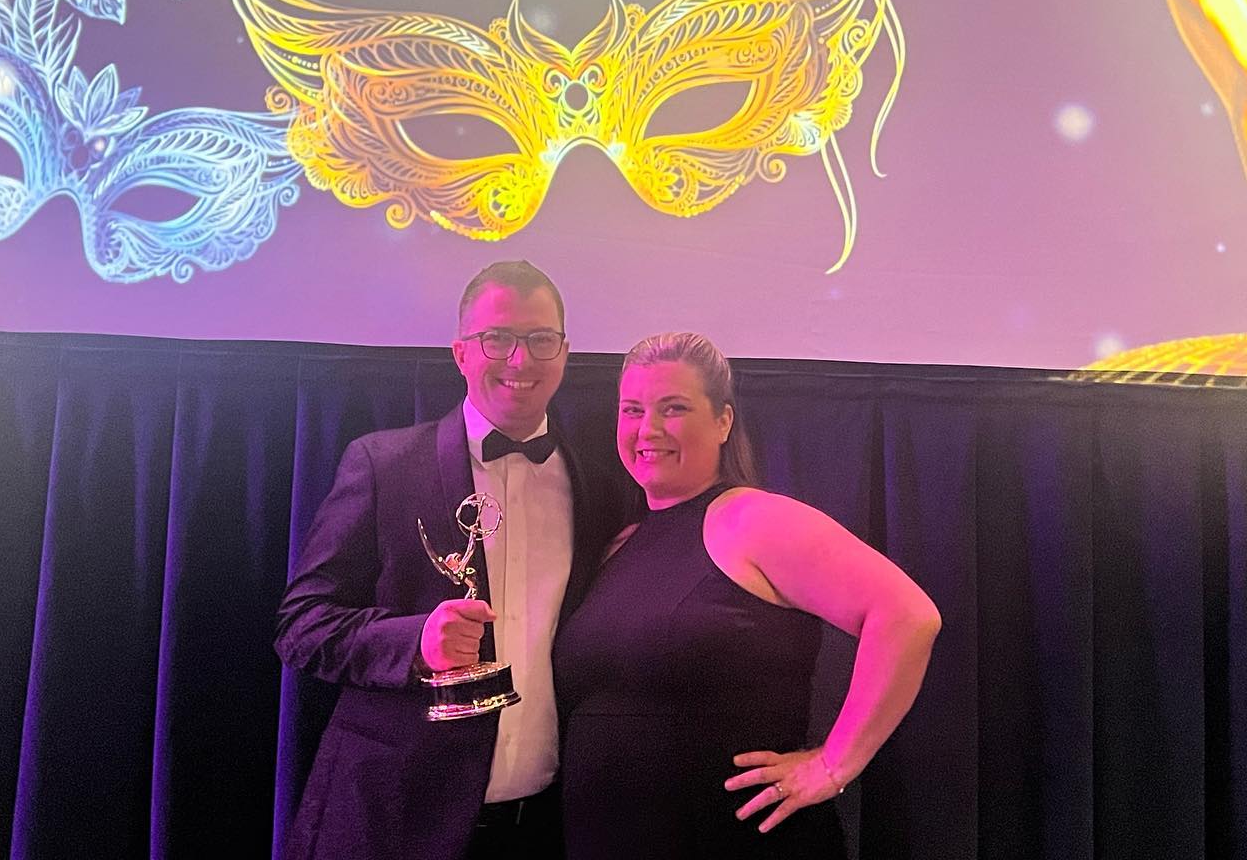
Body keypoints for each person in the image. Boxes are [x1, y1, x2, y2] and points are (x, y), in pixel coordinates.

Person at [274, 260, 619, 860]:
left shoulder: (598, 485)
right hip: (394, 819)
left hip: (546, 824)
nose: (520, 360)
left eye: (541, 339)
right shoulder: (382, 465)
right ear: (460, 353)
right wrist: (414, 643)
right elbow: (300, 626)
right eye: (497, 339)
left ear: (565, 353)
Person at [554, 332, 941, 858]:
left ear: (723, 422)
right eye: (633, 410)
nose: (648, 429)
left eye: (674, 408)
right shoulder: (620, 544)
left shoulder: (749, 520)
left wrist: (833, 765)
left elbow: (908, 616)